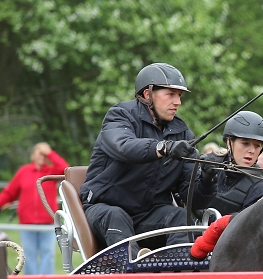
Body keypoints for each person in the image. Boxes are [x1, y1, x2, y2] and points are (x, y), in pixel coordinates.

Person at [79, 63, 197, 258]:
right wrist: (163, 147)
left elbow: (190, 193)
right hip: (105, 208)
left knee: (180, 216)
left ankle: (178, 273)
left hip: (148, 214)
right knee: (117, 216)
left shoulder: (182, 132)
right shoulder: (120, 116)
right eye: (170, 94)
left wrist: (208, 178)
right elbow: (124, 146)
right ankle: (135, 271)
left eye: (180, 96)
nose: (178, 102)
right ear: (148, 94)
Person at [0, 143, 68, 274]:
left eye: (44, 153)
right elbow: (9, 192)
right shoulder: (24, 172)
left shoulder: (50, 172)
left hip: (48, 222)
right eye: (39, 151)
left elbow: (66, 169)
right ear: (32, 155)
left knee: (47, 254)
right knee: (28, 256)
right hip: (27, 223)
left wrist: (50, 153)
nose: (42, 155)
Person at [193, 110, 263, 215]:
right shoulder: (207, 163)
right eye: (245, 143)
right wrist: (205, 181)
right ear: (229, 142)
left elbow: (248, 225)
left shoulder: (262, 186)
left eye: (257, 145)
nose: (252, 151)